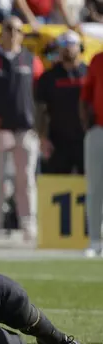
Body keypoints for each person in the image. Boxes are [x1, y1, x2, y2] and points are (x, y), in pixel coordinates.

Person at [0, 16, 44, 242]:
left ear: (22, 34)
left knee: (26, 179)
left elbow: (40, 97)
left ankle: (28, 223)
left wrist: (41, 128)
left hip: (25, 129)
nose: (12, 33)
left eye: (17, 30)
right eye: (8, 29)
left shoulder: (32, 60)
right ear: (0, 32)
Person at [36, 30, 87, 175]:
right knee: (56, 184)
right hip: (57, 141)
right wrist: (43, 138)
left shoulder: (89, 73)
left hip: (85, 139)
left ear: (80, 47)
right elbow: (41, 109)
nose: (68, 48)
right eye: (64, 44)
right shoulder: (48, 77)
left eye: (72, 44)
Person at [81, 50, 103, 257]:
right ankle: (95, 240)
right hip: (99, 130)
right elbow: (86, 94)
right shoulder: (97, 59)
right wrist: (87, 125)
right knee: (95, 188)